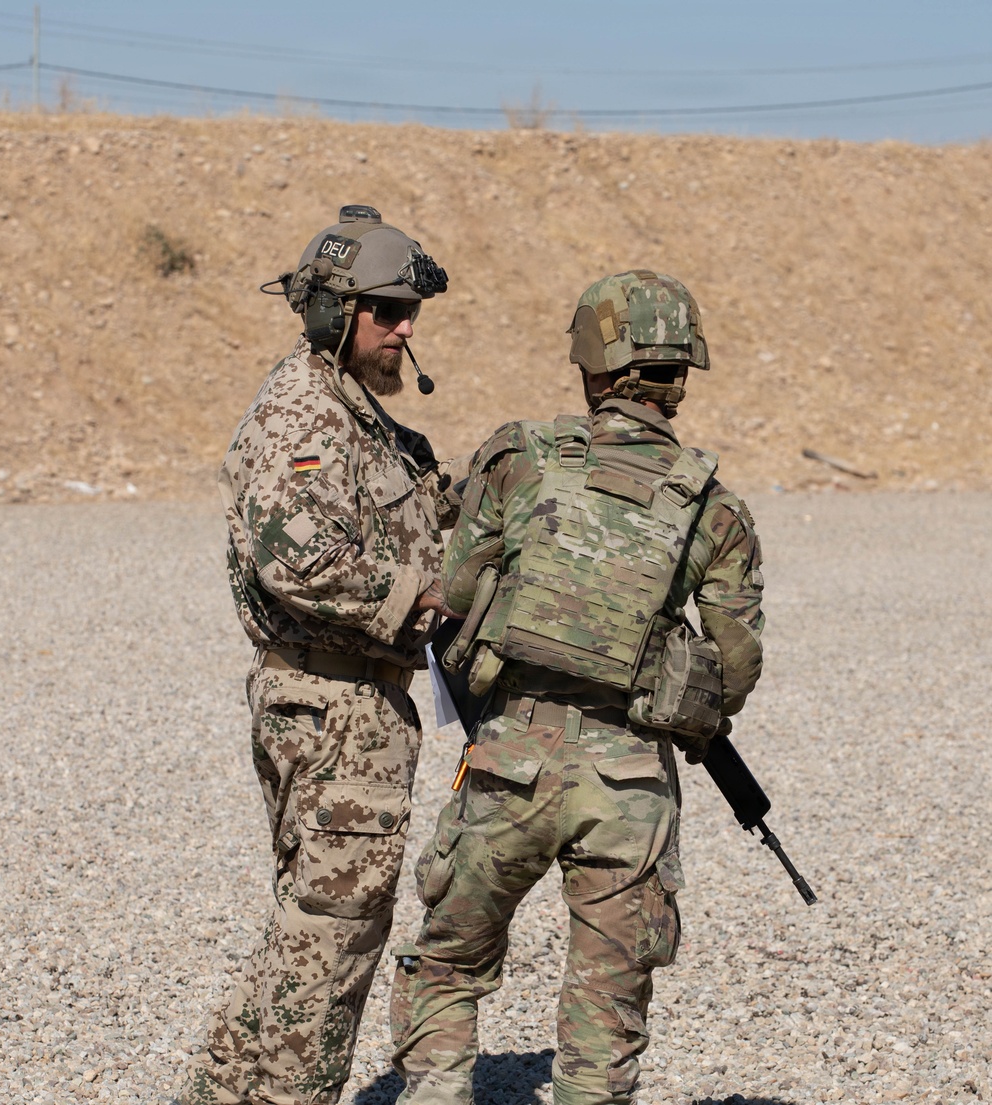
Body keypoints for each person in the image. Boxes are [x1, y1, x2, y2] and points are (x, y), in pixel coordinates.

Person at [389, 271, 766, 1105]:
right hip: (632, 782)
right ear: (684, 371)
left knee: (450, 959)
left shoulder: (520, 457)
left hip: (509, 759)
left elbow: (452, 596)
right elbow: (734, 666)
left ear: (590, 363)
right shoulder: (715, 507)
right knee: (607, 996)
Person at [176, 205, 471, 1105]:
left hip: (353, 706)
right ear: (338, 312)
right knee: (334, 942)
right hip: (332, 705)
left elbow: (419, 522)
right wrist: (421, 602)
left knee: (307, 928)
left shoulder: (365, 421)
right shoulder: (305, 415)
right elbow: (300, 557)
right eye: (388, 310)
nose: (405, 328)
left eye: (409, 310)